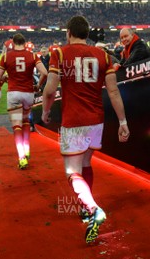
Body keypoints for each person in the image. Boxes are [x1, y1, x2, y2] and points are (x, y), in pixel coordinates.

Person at [42, 15, 130, 244]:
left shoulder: (59, 53)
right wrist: (123, 122)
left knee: (72, 172)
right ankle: (85, 209)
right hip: (96, 119)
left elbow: (50, 90)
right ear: (87, 34)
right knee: (86, 164)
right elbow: (113, 92)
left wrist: (45, 111)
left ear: (69, 32)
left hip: (74, 120)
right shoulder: (103, 55)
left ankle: (93, 209)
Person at [0, 33, 48, 169]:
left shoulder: (6, 56)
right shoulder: (32, 55)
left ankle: (21, 157)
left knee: (16, 125)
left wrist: (5, 79)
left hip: (14, 94)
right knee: (25, 122)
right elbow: (44, 72)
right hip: (28, 94)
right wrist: (38, 85)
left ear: (13, 43)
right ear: (24, 43)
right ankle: (27, 150)